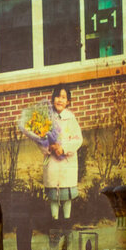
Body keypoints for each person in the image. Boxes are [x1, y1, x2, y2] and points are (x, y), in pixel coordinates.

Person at [22, 85, 83, 222]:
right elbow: (40, 139)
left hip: (67, 163)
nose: (60, 100)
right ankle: (54, 220)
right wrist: (48, 147)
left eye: (63, 97)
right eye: (57, 96)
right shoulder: (47, 119)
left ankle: (67, 220)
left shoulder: (71, 119)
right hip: (53, 162)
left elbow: (78, 139)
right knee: (54, 196)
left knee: (66, 194)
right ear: (52, 99)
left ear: (68, 101)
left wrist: (64, 148)